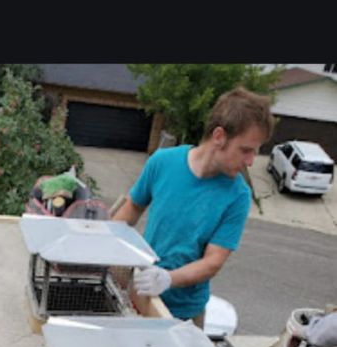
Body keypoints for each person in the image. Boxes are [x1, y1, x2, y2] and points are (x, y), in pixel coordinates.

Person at [112, 87, 275, 328]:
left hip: (185, 314)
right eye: (246, 150)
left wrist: (168, 278)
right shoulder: (163, 162)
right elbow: (131, 209)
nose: (250, 161)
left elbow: (213, 262)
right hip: (142, 295)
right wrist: (108, 245)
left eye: (255, 152)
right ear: (219, 136)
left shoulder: (238, 195)